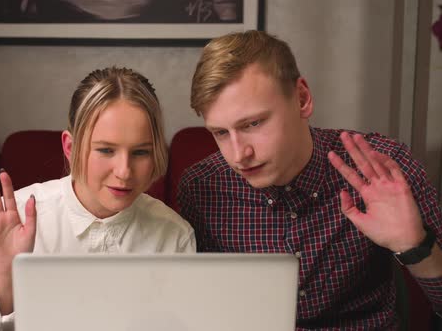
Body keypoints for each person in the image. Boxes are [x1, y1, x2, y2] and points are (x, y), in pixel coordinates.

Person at [178, 30, 442, 329]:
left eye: (253, 123)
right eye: (221, 133)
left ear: (302, 99)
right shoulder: (201, 188)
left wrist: (415, 246)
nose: (239, 155)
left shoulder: (381, 169)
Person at [0, 67, 196, 330]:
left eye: (140, 152)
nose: (124, 172)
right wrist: (5, 274)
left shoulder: (174, 235)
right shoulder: (10, 221)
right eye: (106, 150)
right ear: (70, 147)